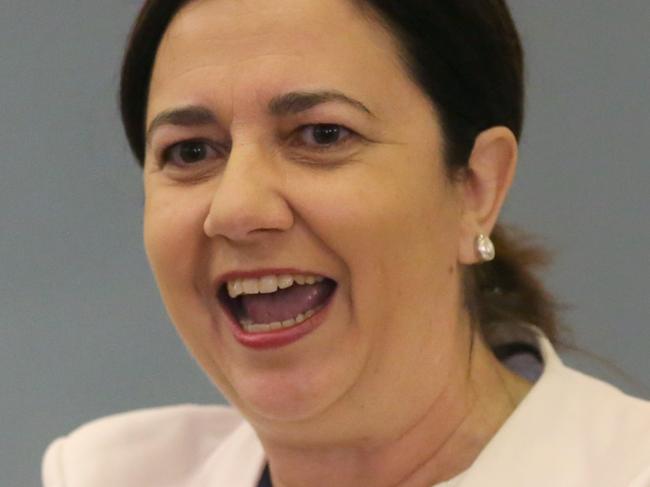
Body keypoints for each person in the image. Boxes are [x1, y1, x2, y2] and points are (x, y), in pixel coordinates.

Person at [42, 1, 650, 486]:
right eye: (191, 151)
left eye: (322, 134)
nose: (236, 209)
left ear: (476, 188)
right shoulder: (112, 473)